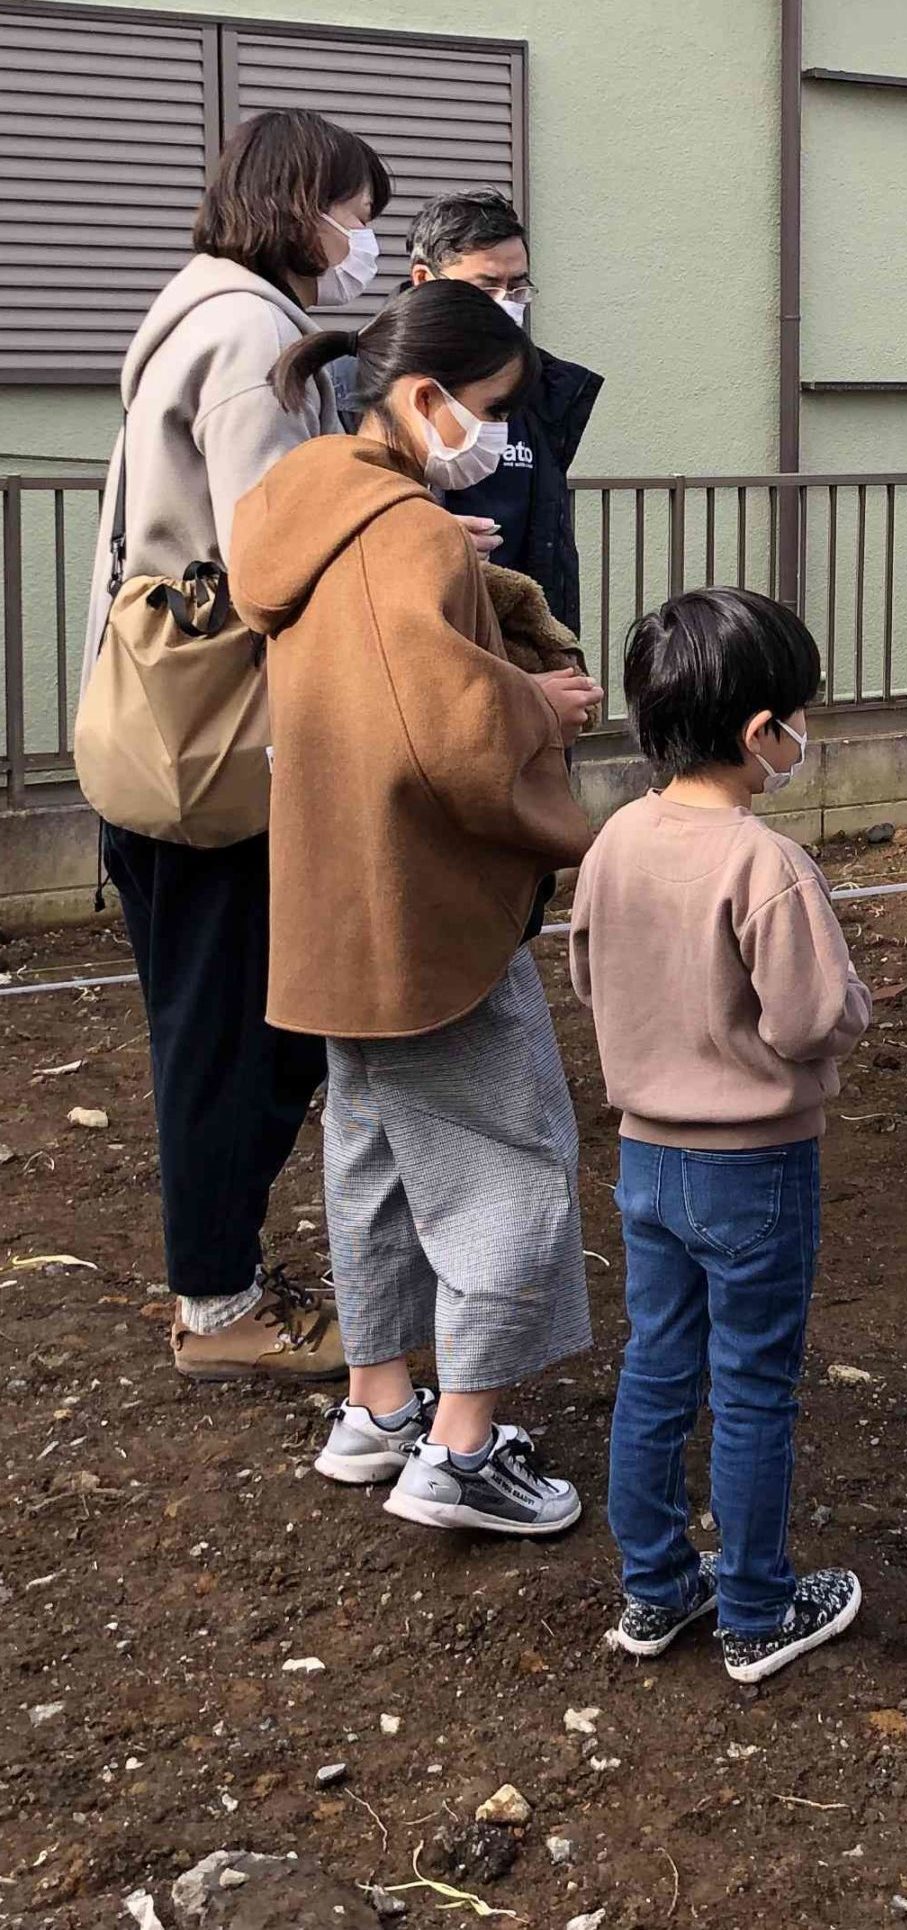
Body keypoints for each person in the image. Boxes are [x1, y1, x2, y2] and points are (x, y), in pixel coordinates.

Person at [229, 280, 603, 1536]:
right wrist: (542, 717)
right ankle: (464, 1440)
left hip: (330, 902)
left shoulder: (309, 503)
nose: (501, 436)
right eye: (493, 410)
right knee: (513, 1157)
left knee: (376, 1158)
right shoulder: (414, 535)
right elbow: (443, 740)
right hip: (423, 908)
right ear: (427, 399)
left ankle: (379, 1404)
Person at [78, 108, 392, 1383]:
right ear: (302, 207)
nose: (361, 243)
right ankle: (218, 1305)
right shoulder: (258, 330)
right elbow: (273, 556)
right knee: (239, 1039)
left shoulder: (189, 309)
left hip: (152, 726)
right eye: (356, 217)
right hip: (226, 752)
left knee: (200, 1025)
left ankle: (218, 1280)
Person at [571, 588, 873, 1683]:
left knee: (655, 1366)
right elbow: (804, 1018)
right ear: (763, 734)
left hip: (646, 1156)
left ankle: (655, 1589)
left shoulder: (612, 841)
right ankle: (755, 1607)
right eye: (798, 717)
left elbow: (587, 972)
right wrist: (852, 1006)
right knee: (752, 1382)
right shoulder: (767, 864)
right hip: (754, 1166)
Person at [376, 189, 603, 633]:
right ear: (425, 280)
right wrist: (424, 538)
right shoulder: (362, 385)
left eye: (518, 286)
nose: (507, 301)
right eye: (486, 286)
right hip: (416, 634)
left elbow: (546, 545)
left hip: (521, 638)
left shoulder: (543, 391)